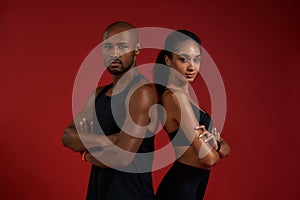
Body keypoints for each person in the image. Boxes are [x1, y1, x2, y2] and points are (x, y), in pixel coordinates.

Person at [62, 21, 158, 200]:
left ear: (137, 48)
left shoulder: (142, 92)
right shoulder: (98, 94)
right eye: (108, 46)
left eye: (122, 46)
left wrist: (85, 153)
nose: (114, 53)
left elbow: (122, 158)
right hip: (98, 192)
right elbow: (67, 136)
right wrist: (110, 140)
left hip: (132, 195)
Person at [153, 29, 230, 200]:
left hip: (192, 185)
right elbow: (209, 159)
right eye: (183, 59)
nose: (191, 67)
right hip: (181, 187)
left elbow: (226, 148)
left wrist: (216, 146)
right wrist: (217, 147)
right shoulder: (175, 97)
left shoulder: (188, 99)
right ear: (168, 60)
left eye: (196, 60)